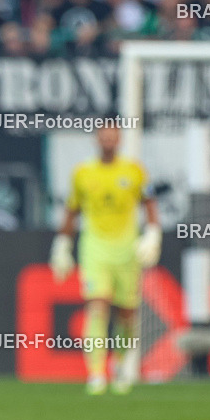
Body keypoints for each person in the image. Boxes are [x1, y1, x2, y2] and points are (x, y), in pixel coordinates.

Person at [50, 124, 161, 395]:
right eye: (104, 135)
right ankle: (96, 372)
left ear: (119, 139)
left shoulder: (133, 171)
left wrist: (153, 234)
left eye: (113, 135)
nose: (108, 140)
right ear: (97, 139)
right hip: (95, 247)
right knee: (97, 306)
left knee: (126, 313)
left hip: (126, 249)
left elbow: (148, 204)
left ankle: (121, 364)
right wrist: (62, 245)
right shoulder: (83, 173)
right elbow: (72, 211)